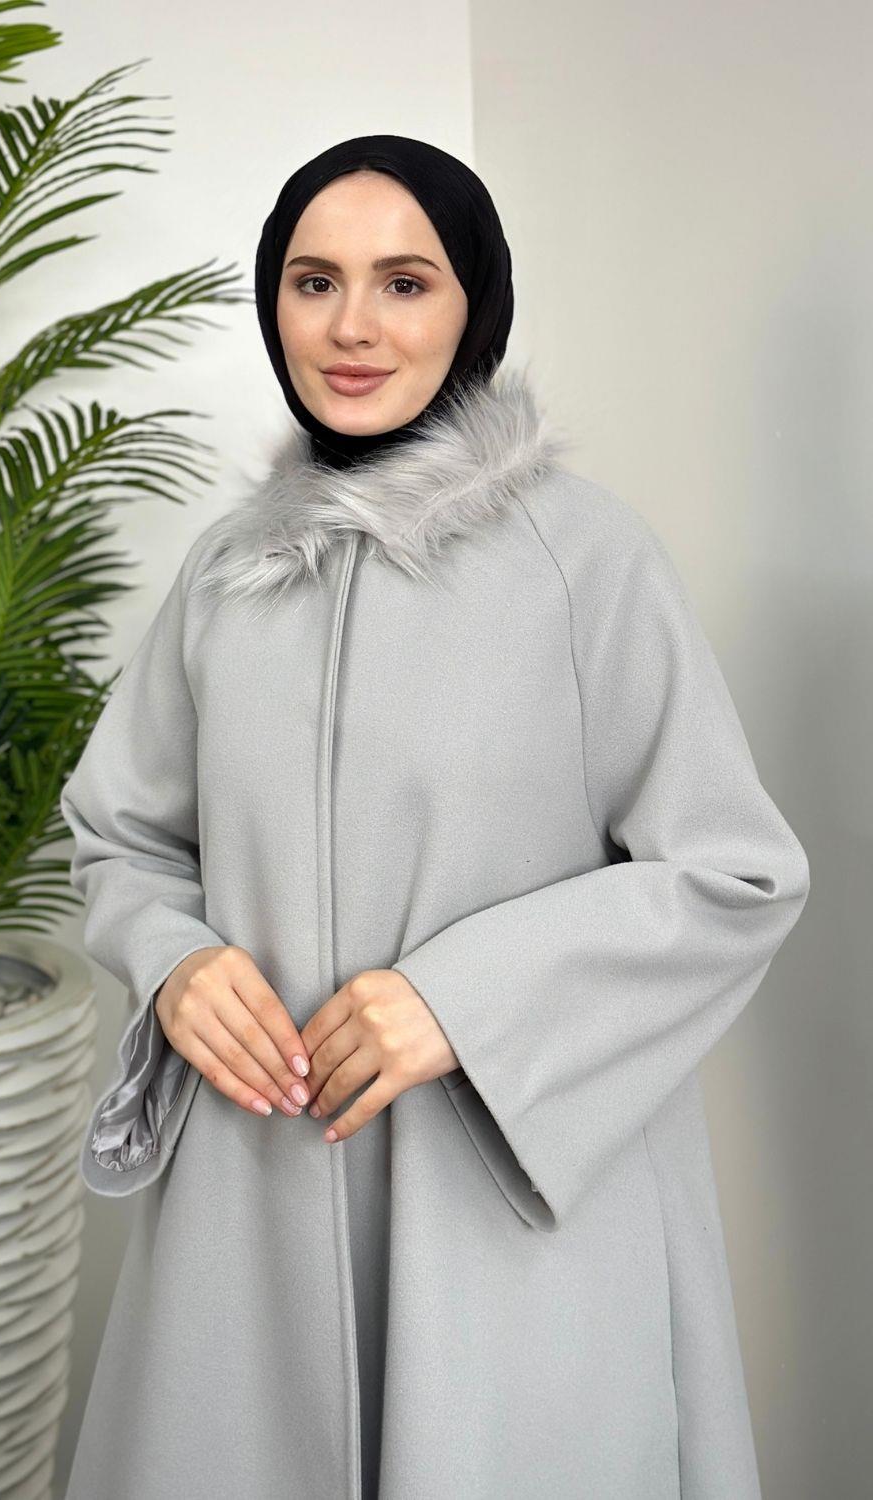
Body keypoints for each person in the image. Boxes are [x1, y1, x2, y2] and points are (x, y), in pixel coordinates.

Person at [60, 135, 810, 1500]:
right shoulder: (228, 574)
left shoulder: (586, 561)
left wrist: (464, 1003)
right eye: (314, 281)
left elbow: (734, 873)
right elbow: (122, 836)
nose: (351, 327)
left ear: (477, 305)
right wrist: (175, 963)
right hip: (252, 1209)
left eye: (404, 283)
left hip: (500, 1218)